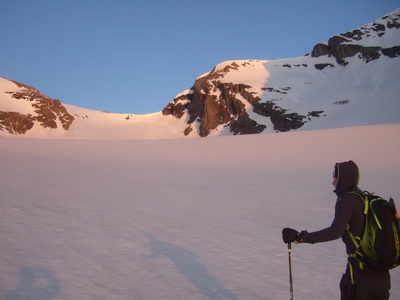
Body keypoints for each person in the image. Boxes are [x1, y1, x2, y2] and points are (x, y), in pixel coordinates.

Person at [282, 160, 391, 300]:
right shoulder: (365, 199)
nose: (333, 182)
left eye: (335, 177)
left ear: (343, 178)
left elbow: (335, 231)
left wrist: (301, 237)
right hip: (381, 276)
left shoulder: (346, 200)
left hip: (360, 278)